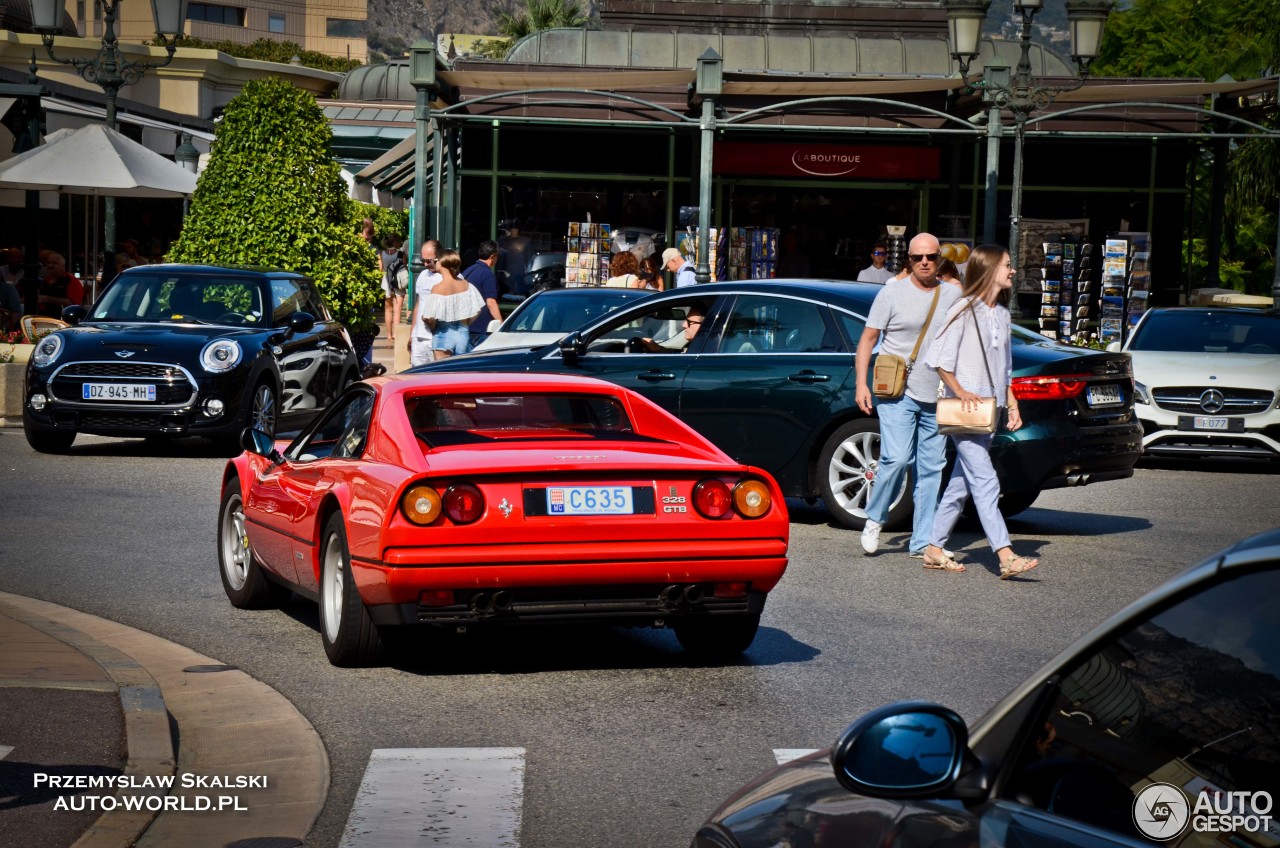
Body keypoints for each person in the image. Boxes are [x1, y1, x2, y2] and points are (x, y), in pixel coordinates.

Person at [920, 245, 1039, 579]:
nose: (1013, 271)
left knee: (962, 483)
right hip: (966, 411)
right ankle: (1005, 554)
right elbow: (938, 357)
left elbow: (1005, 368)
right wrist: (961, 390)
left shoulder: (1001, 314)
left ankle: (933, 547)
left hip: (992, 410)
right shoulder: (962, 309)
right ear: (988, 270)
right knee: (985, 481)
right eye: (1007, 265)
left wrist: (1012, 404)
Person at [854, 233, 961, 559]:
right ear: (909, 260)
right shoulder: (892, 293)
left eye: (931, 257)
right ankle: (875, 518)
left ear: (939, 259)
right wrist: (861, 383)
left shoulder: (953, 293)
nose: (925, 262)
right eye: (918, 258)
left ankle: (922, 542)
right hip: (896, 389)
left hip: (937, 393)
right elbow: (867, 339)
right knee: (897, 458)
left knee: (931, 470)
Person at [423, 248, 485, 360]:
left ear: (443, 262)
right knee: (459, 373)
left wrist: (431, 325)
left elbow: (430, 317)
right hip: (463, 333)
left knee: (442, 373)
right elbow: (478, 309)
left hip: (443, 332)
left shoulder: (437, 289)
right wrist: (467, 322)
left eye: (436, 260)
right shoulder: (466, 285)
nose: (435, 263)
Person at [407, 240, 440, 368]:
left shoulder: (446, 278)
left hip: (436, 338)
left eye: (429, 261)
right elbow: (418, 304)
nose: (425, 264)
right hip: (419, 337)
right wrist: (412, 334)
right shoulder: (422, 275)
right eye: (423, 260)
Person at [463, 240, 501, 350]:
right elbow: (491, 303)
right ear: (492, 256)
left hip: (466, 327)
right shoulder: (487, 274)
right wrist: (501, 324)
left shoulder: (467, 271)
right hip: (481, 329)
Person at [637, 302, 706, 353]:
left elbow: (679, 364)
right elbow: (679, 358)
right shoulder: (700, 347)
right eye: (685, 320)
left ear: (705, 325)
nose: (684, 325)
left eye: (689, 322)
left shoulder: (705, 350)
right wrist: (658, 349)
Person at [379, 235, 407, 342]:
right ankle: (396, 334)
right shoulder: (400, 254)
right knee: (398, 309)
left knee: (388, 309)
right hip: (398, 281)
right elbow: (404, 266)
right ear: (394, 242)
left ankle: (388, 335)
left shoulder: (382, 253)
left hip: (386, 281)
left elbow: (381, 268)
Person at [37, 252, 82, 317]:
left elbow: (73, 304)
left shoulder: (71, 281)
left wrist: (47, 299)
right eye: (49, 262)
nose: (50, 265)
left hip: (62, 318)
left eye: (54, 263)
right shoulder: (45, 280)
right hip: (42, 317)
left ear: (63, 266)